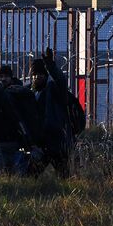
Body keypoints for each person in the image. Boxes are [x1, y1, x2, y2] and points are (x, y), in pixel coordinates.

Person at [29, 47, 73, 178]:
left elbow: (61, 81)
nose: (37, 77)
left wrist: (51, 66)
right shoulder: (32, 93)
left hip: (55, 141)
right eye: (34, 75)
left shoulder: (53, 90)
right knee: (31, 175)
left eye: (40, 74)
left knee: (63, 175)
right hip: (41, 142)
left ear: (46, 75)